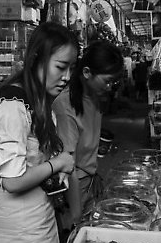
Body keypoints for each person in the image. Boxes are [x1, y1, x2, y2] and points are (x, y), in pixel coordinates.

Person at [0, 22, 78, 243]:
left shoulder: (35, 100)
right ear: (37, 58)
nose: (67, 76)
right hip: (22, 227)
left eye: (71, 68)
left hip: (38, 216)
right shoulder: (13, 106)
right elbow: (13, 182)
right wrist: (58, 163)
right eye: (60, 67)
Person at [53, 41, 124, 226]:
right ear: (86, 73)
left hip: (90, 181)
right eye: (107, 81)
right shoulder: (65, 105)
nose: (109, 87)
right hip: (75, 187)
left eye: (112, 82)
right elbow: (69, 167)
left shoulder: (94, 97)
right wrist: (76, 214)